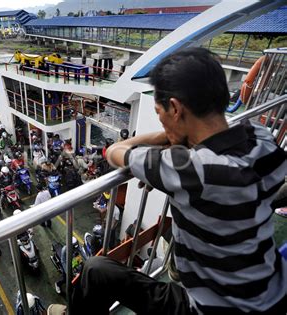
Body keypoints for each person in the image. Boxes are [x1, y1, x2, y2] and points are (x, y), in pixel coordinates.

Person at [52, 48, 287, 314]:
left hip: (212, 308)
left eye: (160, 113)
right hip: (271, 294)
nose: (162, 123)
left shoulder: (187, 168)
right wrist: (179, 147)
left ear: (175, 108)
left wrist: (162, 140)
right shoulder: (261, 138)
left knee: (97, 270)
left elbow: (115, 151)